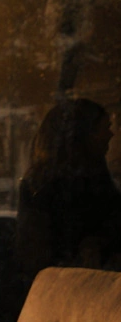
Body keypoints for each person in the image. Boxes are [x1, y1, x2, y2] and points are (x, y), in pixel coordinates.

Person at [16, 98, 121, 279]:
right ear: (84, 135)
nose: (111, 134)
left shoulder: (98, 181)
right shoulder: (43, 190)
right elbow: (35, 256)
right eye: (104, 128)